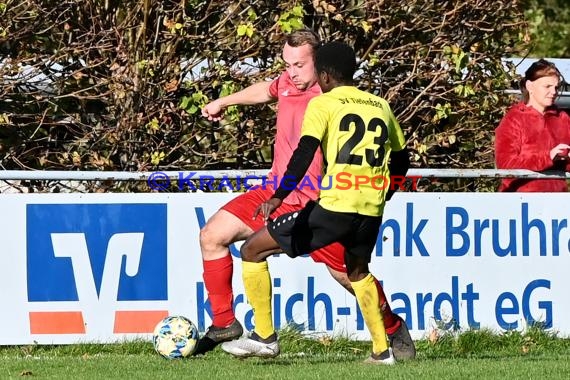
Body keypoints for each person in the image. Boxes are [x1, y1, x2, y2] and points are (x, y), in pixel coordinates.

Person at [197, 29, 415, 360]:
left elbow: (310, 153)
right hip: (275, 190)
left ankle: (391, 327)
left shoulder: (329, 97)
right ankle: (227, 323)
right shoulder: (288, 82)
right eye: (287, 65)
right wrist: (224, 101)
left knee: (349, 275)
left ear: (321, 64)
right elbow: (266, 90)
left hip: (316, 199)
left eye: (299, 65)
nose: (292, 72)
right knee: (212, 235)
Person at [495, 59, 570, 192]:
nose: (554, 92)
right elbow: (505, 165)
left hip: (557, 204)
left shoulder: (563, 118)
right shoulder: (513, 119)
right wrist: (547, 157)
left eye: (556, 87)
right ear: (530, 86)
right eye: (547, 86)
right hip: (521, 203)